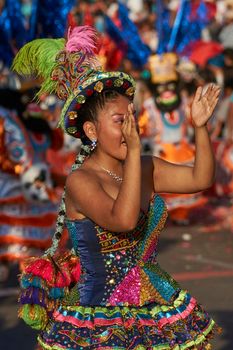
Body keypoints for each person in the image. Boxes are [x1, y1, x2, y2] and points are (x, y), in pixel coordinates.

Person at [14, 26, 221, 349]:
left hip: (156, 307)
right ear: (91, 129)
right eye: (118, 121)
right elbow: (123, 220)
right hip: (97, 317)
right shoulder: (81, 181)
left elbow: (201, 179)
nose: (130, 128)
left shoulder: (146, 166)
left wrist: (200, 127)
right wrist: (136, 153)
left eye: (132, 117)